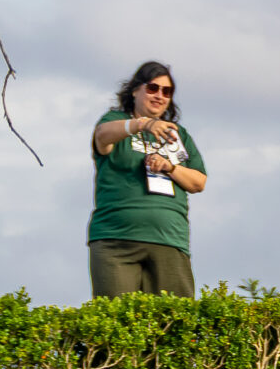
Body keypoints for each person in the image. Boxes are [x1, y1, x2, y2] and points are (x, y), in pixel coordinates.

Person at [88, 61, 209, 297]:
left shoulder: (179, 134)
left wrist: (170, 167)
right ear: (135, 90)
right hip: (117, 239)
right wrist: (142, 124)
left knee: (174, 324)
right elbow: (102, 136)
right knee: (116, 323)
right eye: (153, 88)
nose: (160, 96)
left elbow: (199, 182)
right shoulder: (115, 120)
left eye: (167, 91)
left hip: (169, 239)